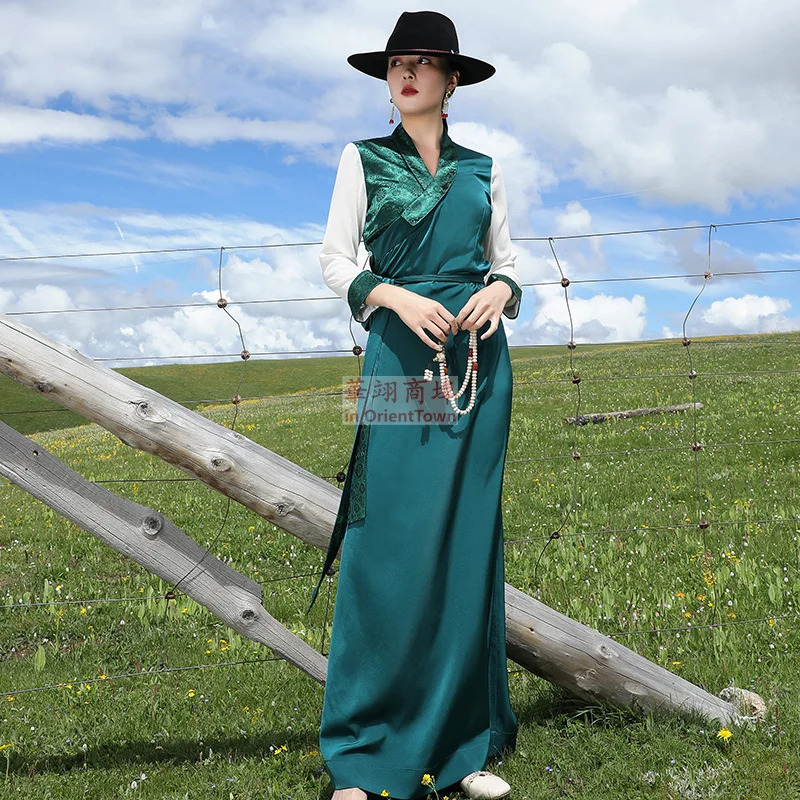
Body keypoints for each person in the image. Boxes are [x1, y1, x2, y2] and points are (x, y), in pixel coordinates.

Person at [308, 11, 522, 800]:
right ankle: (361, 756)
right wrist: (393, 296)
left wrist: (501, 290)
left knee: (465, 553)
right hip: (397, 363)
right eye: (398, 63)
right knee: (384, 549)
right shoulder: (361, 159)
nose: (408, 74)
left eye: (425, 63)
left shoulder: (484, 168)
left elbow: (508, 263)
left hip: (479, 371)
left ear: (451, 80)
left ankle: (460, 749)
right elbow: (335, 261)